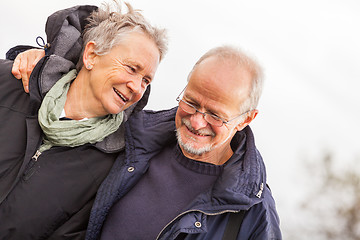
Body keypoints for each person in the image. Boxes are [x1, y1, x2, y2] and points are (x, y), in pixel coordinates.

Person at [0, 1, 167, 239]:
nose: (137, 88)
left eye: (146, 80)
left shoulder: (110, 167)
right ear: (90, 55)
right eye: (131, 68)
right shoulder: (9, 82)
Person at [83, 45, 282, 239]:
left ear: (246, 119)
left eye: (215, 115)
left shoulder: (254, 212)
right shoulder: (132, 139)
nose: (196, 122)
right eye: (191, 103)